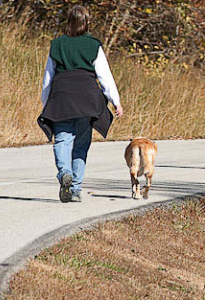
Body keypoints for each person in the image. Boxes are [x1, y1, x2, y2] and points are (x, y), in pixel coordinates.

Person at [37, 5, 124, 203]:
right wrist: (115, 101)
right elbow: (104, 76)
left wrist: (46, 102)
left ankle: (64, 173)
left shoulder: (57, 45)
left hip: (62, 98)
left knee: (62, 139)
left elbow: (48, 78)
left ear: (68, 22)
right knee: (81, 145)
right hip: (87, 99)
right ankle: (75, 189)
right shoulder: (93, 45)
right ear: (86, 23)